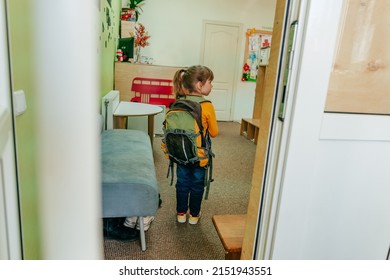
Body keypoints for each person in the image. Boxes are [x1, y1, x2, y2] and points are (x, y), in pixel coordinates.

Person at [171, 65, 219, 225]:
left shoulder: (177, 102)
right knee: (197, 185)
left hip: (180, 154)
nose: (211, 85)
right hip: (200, 156)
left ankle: (181, 213)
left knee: (182, 183)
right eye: (210, 82)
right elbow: (214, 132)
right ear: (199, 85)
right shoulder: (207, 105)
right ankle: (194, 215)